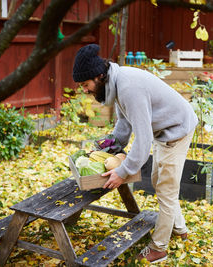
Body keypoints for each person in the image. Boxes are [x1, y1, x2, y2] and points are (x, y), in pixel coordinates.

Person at [72, 44, 198, 263]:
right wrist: (110, 146)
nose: (85, 90)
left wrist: (124, 171)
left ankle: (159, 247)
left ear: (99, 76)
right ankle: (179, 228)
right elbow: (124, 123)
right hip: (165, 129)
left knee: (166, 188)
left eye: (86, 84)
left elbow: (143, 138)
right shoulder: (116, 82)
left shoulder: (128, 87)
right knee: (160, 181)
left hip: (177, 129)